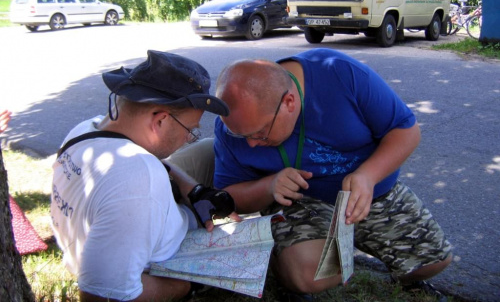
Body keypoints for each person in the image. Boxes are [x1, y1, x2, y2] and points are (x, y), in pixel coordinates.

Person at [212, 48, 452, 301]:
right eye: (241, 135)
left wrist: (368, 176)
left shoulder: (338, 72)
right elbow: (229, 196)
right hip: (302, 203)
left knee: (434, 262)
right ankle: (289, 269)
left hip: (371, 192)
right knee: (311, 273)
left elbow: (406, 131)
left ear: (289, 103)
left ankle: (388, 266)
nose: (250, 144)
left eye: (259, 133)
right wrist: (269, 186)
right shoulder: (232, 126)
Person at [51, 50, 240, 302]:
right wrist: (186, 286)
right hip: (163, 266)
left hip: (98, 246)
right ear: (160, 121)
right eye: (190, 131)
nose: (188, 139)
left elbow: (157, 163)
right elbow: (102, 295)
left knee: (203, 152)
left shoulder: (88, 130)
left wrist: (194, 191)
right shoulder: (137, 180)